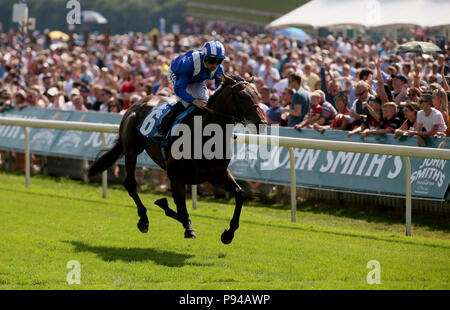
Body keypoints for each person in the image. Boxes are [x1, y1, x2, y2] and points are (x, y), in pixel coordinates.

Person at [153, 40, 225, 141]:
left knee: (205, 102)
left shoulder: (219, 69)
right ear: (204, 57)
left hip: (196, 78)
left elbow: (220, 86)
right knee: (185, 102)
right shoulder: (189, 64)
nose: (215, 65)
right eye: (212, 60)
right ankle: (162, 128)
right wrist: (194, 101)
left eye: (219, 61)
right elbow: (179, 90)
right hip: (177, 75)